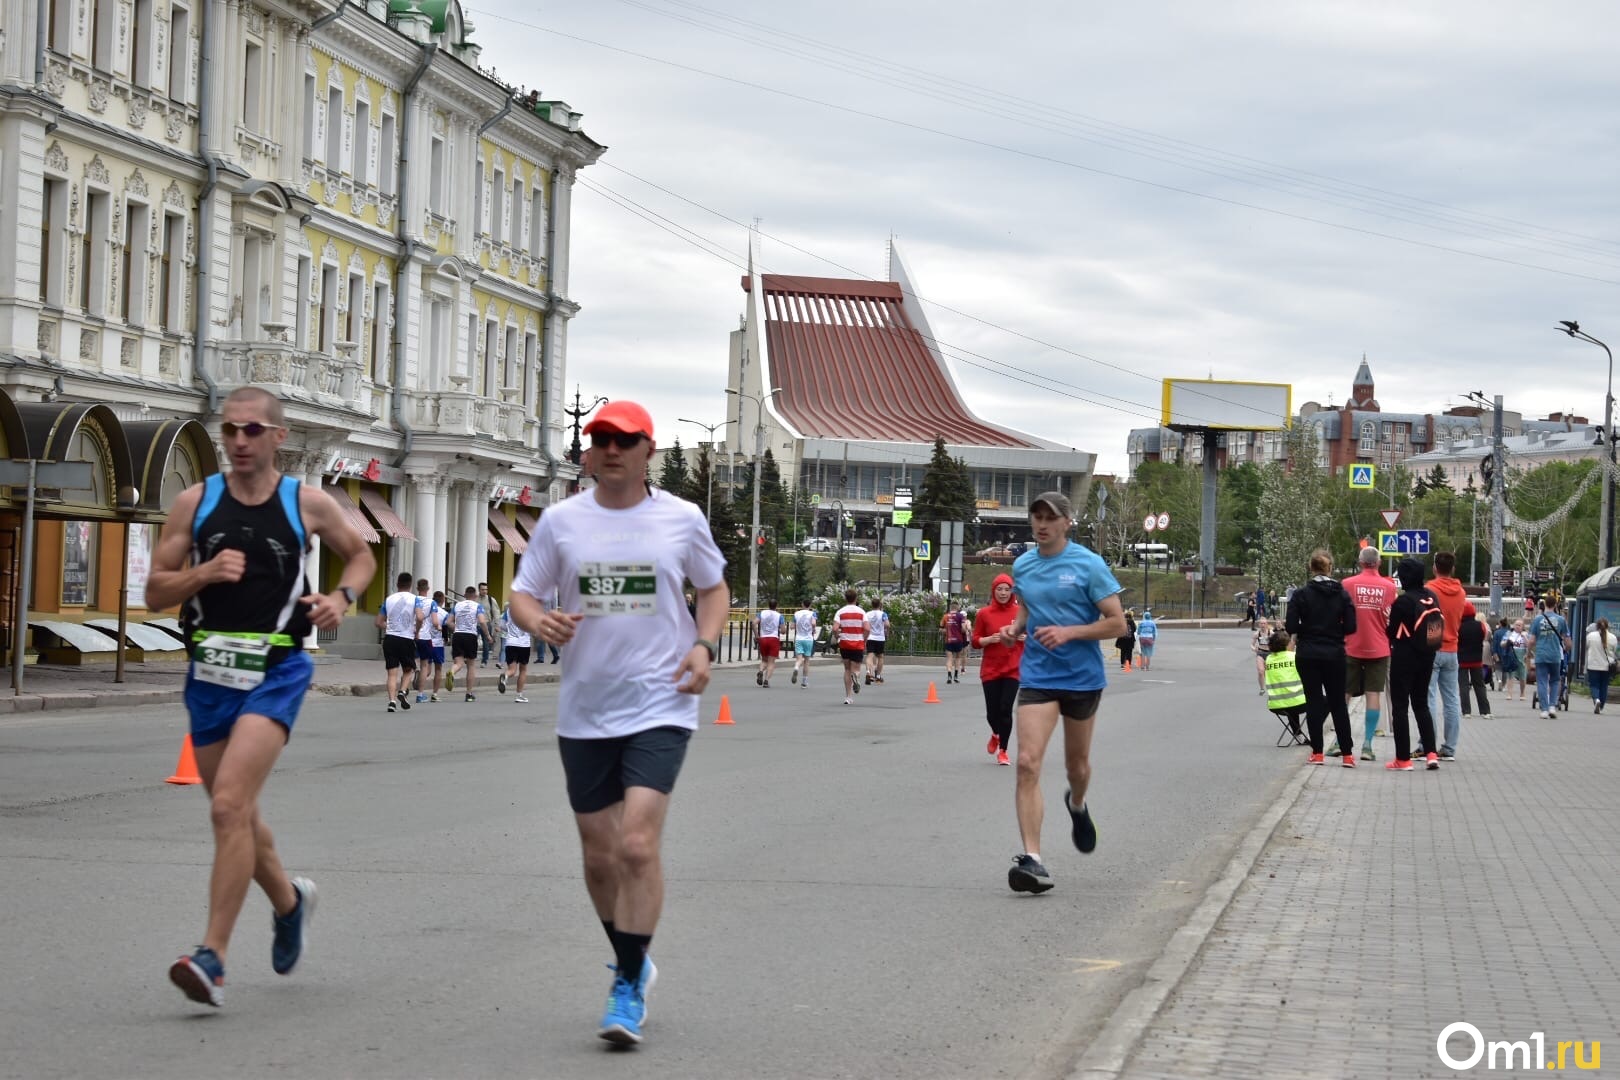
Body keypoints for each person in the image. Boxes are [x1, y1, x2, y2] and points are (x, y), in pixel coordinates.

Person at [505, 399, 727, 1047]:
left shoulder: (681, 519)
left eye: (623, 440)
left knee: (635, 844)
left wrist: (705, 645)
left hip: (662, 701)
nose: (609, 450)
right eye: (598, 438)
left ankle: (626, 985)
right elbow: (523, 591)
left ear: (647, 451)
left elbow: (713, 589)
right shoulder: (560, 521)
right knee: (599, 856)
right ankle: (634, 959)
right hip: (585, 709)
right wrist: (533, 619)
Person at [146, 385, 376, 1008]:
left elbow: (360, 556)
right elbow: (154, 593)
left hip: (277, 667)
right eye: (230, 431)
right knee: (240, 813)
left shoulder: (307, 503)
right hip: (209, 670)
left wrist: (340, 599)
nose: (240, 441)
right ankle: (289, 902)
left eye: (252, 430)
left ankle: (211, 957)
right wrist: (204, 572)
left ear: (278, 437)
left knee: (226, 807)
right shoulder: (195, 503)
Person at [997, 491, 1126, 894]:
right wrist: (1015, 629)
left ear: (1068, 522)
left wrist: (1070, 632)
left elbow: (1118, 623)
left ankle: (1077, 803)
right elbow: (1029, 605)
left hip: (1082, 678)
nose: (1041, 523)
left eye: (1050, 517)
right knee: (1026, 762)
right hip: (1037, 675)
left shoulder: (1089, 565)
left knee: (1077, 768)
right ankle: (1032, 859)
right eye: (1036, 516)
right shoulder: (1024, 564)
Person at [1284, 549, 1357, 766]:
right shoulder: (1342, 594)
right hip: (1334, 653)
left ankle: (1317, 752)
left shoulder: (1300, 595)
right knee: (1338, 703)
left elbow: (1290, 626)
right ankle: (1347, 754)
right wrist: (1334, 631)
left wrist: (1307, 629)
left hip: (1308, 653)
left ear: (1311, 568)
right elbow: (1352, 626)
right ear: (1330, 568)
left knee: (1314, 701)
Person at [1338, 546, 1396, 762]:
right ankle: (1367, 745)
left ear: (1360, 562)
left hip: (1351, 645)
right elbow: (1391, 616)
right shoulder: (1389, 587)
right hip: (1379, 647)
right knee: (1373, 695)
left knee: (1344, 694)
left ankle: (1340, 742)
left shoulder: (1347, 584)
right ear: (1379, 563)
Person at [1384, 556, 1442, 771]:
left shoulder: (1403, 602)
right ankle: (1431, 753)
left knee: (1400, 707)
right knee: (1421, 704)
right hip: (1427, 655)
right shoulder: (1432, 597)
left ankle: (1403, 759)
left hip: (1404, 656)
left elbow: (1391, 632)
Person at [973, 573, 1022, 766]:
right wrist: (988, 640)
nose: (1003, 593)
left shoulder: (1020, 612)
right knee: (992, 713)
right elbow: (975, 640)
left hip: (1013, 667)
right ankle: (995, 734)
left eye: (1007, 589)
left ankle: (1003, 750)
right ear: (993, 591)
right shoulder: (984, 614)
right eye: (999, 589)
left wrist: (1025, 638)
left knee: (1005, 709)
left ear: (1012, 591)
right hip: (991, 668)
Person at [1423, 551, 1468, 760]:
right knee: (1452, 700)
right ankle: (1449, 748)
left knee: (1428, 698)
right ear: (1453, 569)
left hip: (1433, 648)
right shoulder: (1461, 593)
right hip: (1452, 650)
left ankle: (1427, 745)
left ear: (1434, 568)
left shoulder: (1430, 590)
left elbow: (1429, 619)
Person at [375, 571, 421, 714]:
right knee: (409, 669)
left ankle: (392, 701)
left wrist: (389, 627)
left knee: (392, 673)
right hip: (406, 639)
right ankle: (402, 691)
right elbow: (420, 617)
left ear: (397, 584)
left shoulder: (388, 599)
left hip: (390, 639)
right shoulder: (415, 599)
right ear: (411, 584)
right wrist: (417, 631)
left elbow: (378, 622)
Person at [1529, 599, 1572, 719]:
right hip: (1555, 655)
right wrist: (1566, 650)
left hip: (1541, 655)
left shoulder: (1537, 620)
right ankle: (1552, 706)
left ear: (1544, 605)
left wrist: (1529, 652)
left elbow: (1532, 640)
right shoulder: (1561, 620)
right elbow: (1568, 641)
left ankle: (1544, 709)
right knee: (1555, 681)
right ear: (1555, 605)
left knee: (1542, 681)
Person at [444, 586, 488, 701]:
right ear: (476, 596)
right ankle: (469, 694)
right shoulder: (478, 606)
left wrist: (457, 628)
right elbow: (482, 621)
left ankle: (452, 671)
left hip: (458, 635)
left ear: (465, 594)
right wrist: (488, 635)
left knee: (458, 662)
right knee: (471, 665)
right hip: (470, 636)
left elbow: (448, 622)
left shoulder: (457, 606)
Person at [1264, 629, 1306, 744]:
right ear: (1286, 644)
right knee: (1326, 702)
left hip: (1276, 705)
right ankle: (1315, 730)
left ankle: (1299, 736)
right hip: (1298, 702)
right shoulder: (1293, 657)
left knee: (1291, 707)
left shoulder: (1269, 659)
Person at [1456, 603, 1492, 720]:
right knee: (1480, 685)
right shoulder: (1480, 625)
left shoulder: (1458, 626)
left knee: (1463, 685)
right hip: (1477, 660)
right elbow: (1484, 637)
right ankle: (1485, 711)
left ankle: (1466, 711)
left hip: (1462, 660)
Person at [835, 589, 868, 705]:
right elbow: (867, 628)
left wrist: (837, 635)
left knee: (847, 669)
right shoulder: (862, 612)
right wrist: (863, 638)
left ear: (845, 598)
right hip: (857, 643)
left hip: (844, 643)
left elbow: (835, 628)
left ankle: (848, 697)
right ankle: (856, 677)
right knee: (856, 669)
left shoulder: (840, 612)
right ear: (856, 598)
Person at [412, 579, 442, 704]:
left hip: (409, 635)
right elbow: (435, 622)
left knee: (408, 663)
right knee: (425, 666)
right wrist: (439, 627)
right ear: (428, 588)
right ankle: (420, 695)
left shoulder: (412, 600)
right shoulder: (432, 603)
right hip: (424, 637)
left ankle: (404, 688)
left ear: (417, 588)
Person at [499, 610, 533, 703]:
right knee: (523, 669)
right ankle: (519, 695)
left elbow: (501, 625)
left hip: (510, 643)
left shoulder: (508, 611)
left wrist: (510, 630)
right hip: (524, 644)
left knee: (512, 670)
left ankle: (505, 676)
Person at [1584, 617, 1616, 713]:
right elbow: (1614, 651)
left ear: (1596, 626)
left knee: (1594, 684)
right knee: (1604, 685)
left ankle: (1596, 699)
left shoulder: (1591, 636)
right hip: (1607, 666)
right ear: (1607, 626)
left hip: (1593, 665)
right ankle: (1601, 705)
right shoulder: (1613, 637)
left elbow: (1587, 647)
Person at [753, 600, 783, 688]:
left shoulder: (761, 613)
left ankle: (761, 671)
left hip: (763, 638)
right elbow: (783, 630)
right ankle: (766, 680)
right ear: (776, 606)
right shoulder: (779, 616)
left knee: (764, 660)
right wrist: (781, 630)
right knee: (771, 662)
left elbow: (754, 623)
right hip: (774, 639)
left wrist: (757, 635)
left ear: (768, 605)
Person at [790, 599, 817, 688]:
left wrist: (796, 626)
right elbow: (813, 623)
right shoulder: (812, 613)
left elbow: (792, 626)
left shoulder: (796, 614)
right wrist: (813, 629)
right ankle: (804, 682)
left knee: (799, 659)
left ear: (802, 604)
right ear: (810, 605)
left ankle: (796, 667)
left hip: (799, 638)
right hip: (808, 639)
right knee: (807, 661)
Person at [864, 598, 891, 684]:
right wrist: (886, 632)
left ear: (871, 605)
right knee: (880, 657)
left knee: (870, 656)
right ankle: (878, 676)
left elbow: (864, 625)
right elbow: (887, 624)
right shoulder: (883, 614)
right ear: (879, 605)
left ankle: (868, 672)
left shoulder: (867, 614)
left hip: (870, 637)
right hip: (880, 638)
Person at [942, 601, 969, 683]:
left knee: (949, 658)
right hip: (958, 640)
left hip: (948, 640)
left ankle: (949, 675)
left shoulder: (945, 616)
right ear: (957, 608)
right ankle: (956, 676)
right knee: (958, 658)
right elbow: (963, 629)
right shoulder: (961, 616)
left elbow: (941, 629)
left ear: (950, 607)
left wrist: (947, 630)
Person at [477, 582, 502, 667]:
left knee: (486, 643)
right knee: (471, 641)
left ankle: (484, 661)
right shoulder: (475, 599)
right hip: (475, 624)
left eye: (486, 589)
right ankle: (469, 657)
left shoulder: (491, 599)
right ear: (479, 590)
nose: (485, 591)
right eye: (482, 589)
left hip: (487, 623)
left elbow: (496, 612)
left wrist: (497, 624)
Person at [1252, 616, 1273, 695]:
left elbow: (1276, 642)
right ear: (1259, 624)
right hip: (1260, 652)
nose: (1263, 625)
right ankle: (1262, 689)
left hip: (1269, 653)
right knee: (1261, 671)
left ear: (1267, 624)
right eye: (1261, 623)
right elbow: (1252, 645)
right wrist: (1254, 649)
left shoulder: (1271, 633)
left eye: (1264, 623)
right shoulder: (1256, 634)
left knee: (1268, 672)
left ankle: (1270, 687)